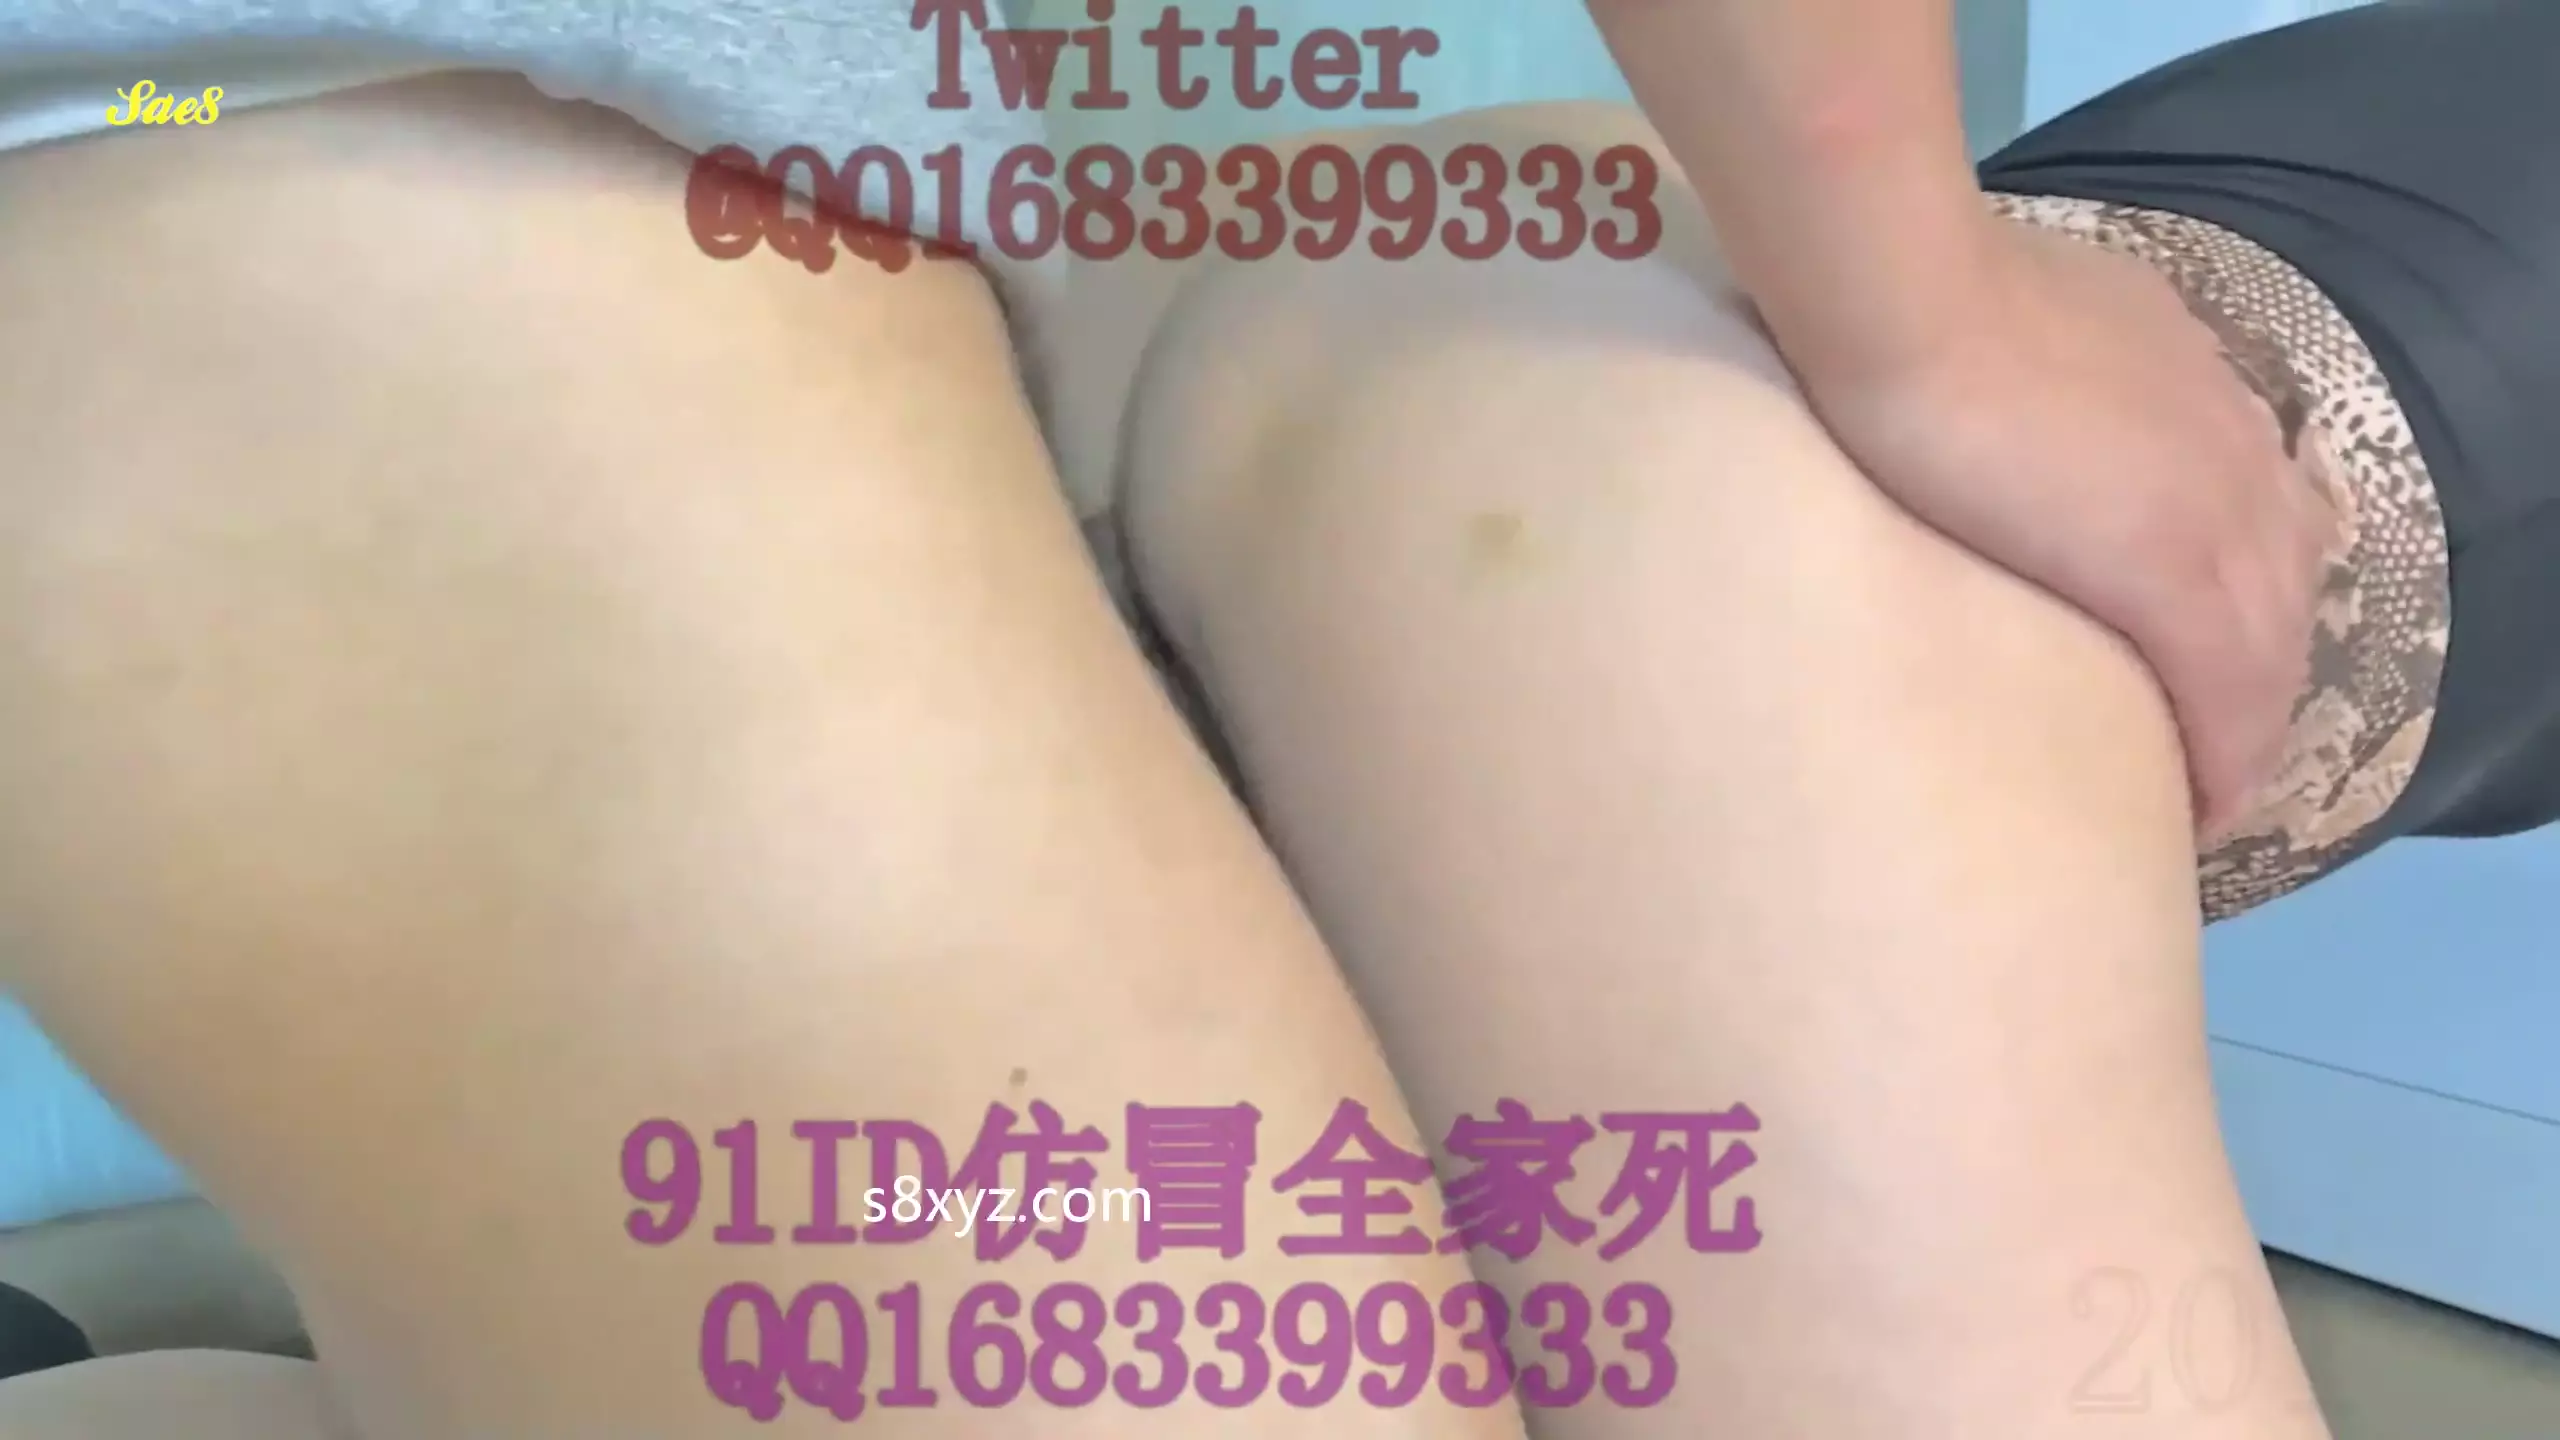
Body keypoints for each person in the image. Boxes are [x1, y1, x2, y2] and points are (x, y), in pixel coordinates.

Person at [0, 6, 2548, 1440]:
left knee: (1600, 455)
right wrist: (1915, 307)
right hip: (306, 201)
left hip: (524, 264)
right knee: (1632, 493)